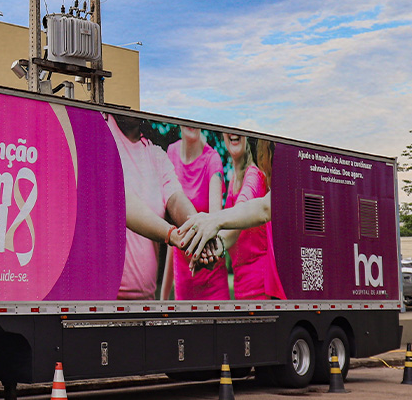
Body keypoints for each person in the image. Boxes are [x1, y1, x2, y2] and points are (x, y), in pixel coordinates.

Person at [178, 136, 285, 299]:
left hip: (262, 288)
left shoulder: (254, 175)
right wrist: (213, 249)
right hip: (241, 287)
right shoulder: (233, 178)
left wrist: (213, 222)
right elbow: (231, 234)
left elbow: (243, 209)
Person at [107, 115, 197, 300]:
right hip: (103, 301)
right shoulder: (103, 134)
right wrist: (172, 234)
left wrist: (199, 230)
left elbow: (175, 199)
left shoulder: (156, 155)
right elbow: (121, 200)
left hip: (145, 303)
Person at [162, 127, 228, 300]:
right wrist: (163, 297)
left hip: (212, 279)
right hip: (183, 282)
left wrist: (205, 255)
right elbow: (174, 233)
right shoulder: (171, 153)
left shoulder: (212, 160)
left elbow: (215, 221)